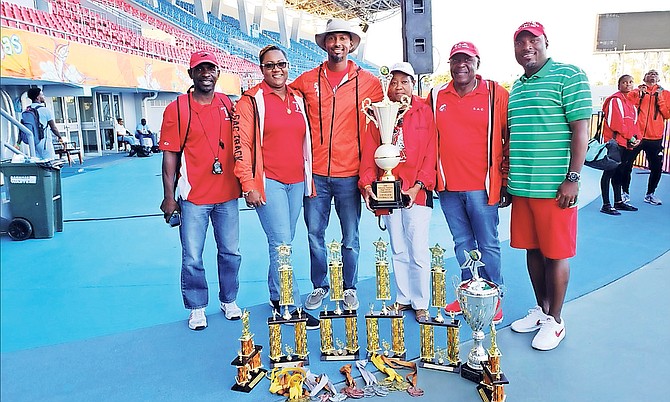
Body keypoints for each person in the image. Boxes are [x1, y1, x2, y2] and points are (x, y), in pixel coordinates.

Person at [507, 22, 592, 351]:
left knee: (555, 254)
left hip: (556, 188)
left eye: (533, 40)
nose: (526, 46)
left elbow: (580, 131)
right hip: (523, 188)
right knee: (532, 250)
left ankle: (556, 320)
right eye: (520, 42)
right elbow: (514, 137)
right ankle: (542, 310)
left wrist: (573, 178)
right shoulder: (517, 87)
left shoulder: (569, 75)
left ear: (545, 42)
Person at [290, 19, 383, 311]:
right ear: (325, 44)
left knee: (351, 237)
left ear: (352, 44)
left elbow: (386, 122)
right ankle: (320, 285)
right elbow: (278, 93)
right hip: (316, 174)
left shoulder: (369, 82)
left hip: (350, 175)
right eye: (332, 38)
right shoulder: (306, 80)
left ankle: (349, 287)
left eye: (343, 38)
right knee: (314, 234)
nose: (337, 44)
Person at [233, 45, 319, 329]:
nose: (276, 69)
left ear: (287, 66)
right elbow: (242, 146)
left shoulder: (297, 97)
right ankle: (289, 305)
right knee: (282, 243)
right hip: (268, 181)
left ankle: (275, 293)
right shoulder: (251, 101)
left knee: (283, 240)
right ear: (261, 69)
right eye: (270, 65)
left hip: (296, 181)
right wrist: (248, 184)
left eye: (281, 64)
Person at [159, 50, 243, 330]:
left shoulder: (227, 103)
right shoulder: (178, 109)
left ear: (218, 73)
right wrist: (169, 196)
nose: (207, 73)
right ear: (191, 74)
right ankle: (197, 307)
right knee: (192, 255)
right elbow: (170, 155)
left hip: (228, 194)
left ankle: (228, 299)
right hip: (193, 196)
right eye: (200, 69)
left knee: (231, 252)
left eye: (211, 68)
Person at [427, 42, 509, 324]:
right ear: (449, 64)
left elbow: (508, 136)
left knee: (487, 243)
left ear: (477, 62)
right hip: (448, 186)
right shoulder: (437, 94)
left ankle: (493, 295)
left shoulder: (495, 93)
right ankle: (469, 292)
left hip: (483, 186)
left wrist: (506, 178)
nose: (461, 65)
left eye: (467, 60)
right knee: (461, 242)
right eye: (455, 60)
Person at [359, 62, 437, 322]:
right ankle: (403, 298)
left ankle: (421, 301)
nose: (398, 87)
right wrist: (368, 186)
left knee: (418, 248)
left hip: (416, 193)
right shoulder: (378, 113)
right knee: (398, 248)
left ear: (413, 85)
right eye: (394, 82)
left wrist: (417, 188)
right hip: (387, 191)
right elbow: (369, 155)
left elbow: (430, 154)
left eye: (404, 82)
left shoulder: (424, 112)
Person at [625, 69, 670, 205]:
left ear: (658, 79)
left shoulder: (666, 94)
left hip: (655, 137)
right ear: (644, 78)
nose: (652, 75)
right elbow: (629, 108)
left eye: (655, 74)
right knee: (626, 165)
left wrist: (660, 98)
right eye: (650, 73)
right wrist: (640, 95)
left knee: (656, 167)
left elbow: (667, 114)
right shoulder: (635, 92)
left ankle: (650, 194)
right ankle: (624, 193)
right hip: (636, 136)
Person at [599, 74, 641, 215]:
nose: (627, 84)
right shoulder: (615, 100)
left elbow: (635, 124)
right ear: (619, 85)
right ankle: (606, 204)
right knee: (609, 172)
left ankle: (618, 202)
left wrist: (637, 138)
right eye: (624, 82)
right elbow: (615, 123)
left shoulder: (630, 103)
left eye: (630, 82)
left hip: (626, 144)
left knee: (620, 172)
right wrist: (631, 137)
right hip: (614, 144)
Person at [25, 87, 62, 160]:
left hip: (33, 142)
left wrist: (18, 143)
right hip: (44, 142)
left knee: (37, 162)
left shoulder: (27, 110)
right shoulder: (45, 110)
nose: (44, 96)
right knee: (49, 161)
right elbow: (53, 128)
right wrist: (60, 137)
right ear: (38, 97)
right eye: (42, 95)